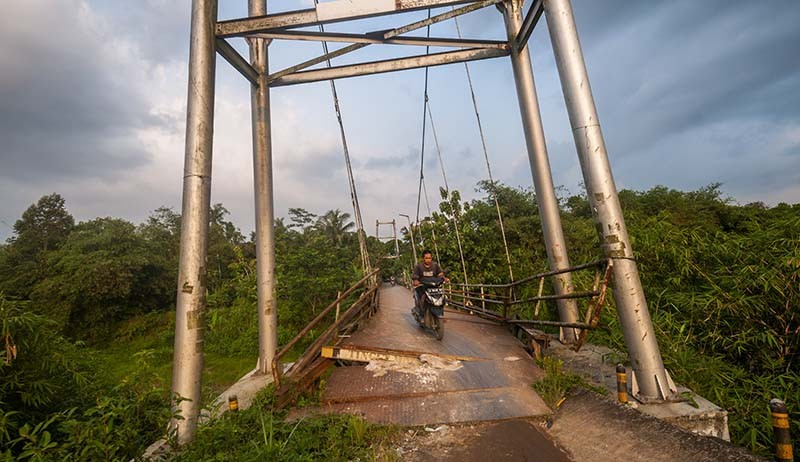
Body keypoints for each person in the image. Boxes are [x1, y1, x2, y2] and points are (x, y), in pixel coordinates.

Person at [411, 250, 448, 315]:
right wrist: (416, 281)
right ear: (423, 258)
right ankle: (421, 312)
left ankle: (440, 311)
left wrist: (445, 278)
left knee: (442, 296)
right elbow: (415, 276)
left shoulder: (435, 265)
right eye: (426, 258)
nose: (428, 260)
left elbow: (440, 274)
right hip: (423, 286)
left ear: (431, 258)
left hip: (434, 286)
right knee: (421, 297)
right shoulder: (419, 266)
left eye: (430, 258)